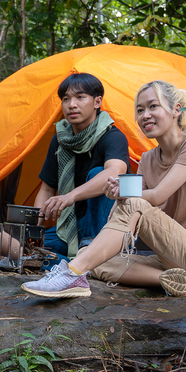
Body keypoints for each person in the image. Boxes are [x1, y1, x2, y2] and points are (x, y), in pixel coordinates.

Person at [20, 80, 186, 299]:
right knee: (93, 258)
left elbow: (157, 196)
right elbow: (129, 210)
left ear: (176, 109)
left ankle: (71, 275)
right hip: (171, 258)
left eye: (153, 106)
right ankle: (176, 281)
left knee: (131, 204)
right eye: (140, 110)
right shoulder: (148, 159)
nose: (145, 115)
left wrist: (125, 196)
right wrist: (116, 196)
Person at [31, 72, 129, 259]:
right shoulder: (60, 140)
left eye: (80, 97)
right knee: (18, 247)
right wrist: (32, 232)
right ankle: (75, 263)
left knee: (100, 173)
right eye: (66, 99)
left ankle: (90, 252)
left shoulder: (112, 136)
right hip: (72, 227)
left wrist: (70, 196)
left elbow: (115, 172)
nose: (71, 105)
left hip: (111, 226)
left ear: (97, 102)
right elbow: (46, 190)